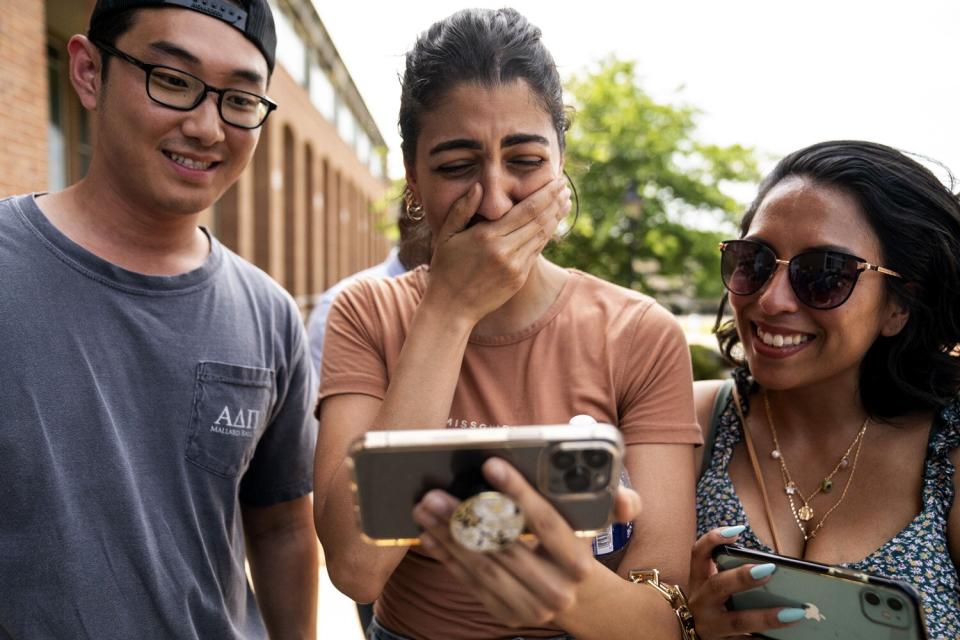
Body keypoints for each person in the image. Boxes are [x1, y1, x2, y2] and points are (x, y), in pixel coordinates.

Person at [313, 8, 702, 640]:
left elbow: (660, 618)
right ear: (413, 179)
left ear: (561, 162)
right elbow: (358, 568)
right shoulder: (367, 312)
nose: (493, 201)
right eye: (456, 166)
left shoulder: (640, 332)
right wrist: (449, 310)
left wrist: (562, 591)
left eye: (523, 159)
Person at [0, 1, 318, 637]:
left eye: (240, 99)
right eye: (173, 80)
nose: (206, 127)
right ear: (89, 73)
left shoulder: (269, 313)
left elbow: (282, 526)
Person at [688, 140, 960, 638]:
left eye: (824, 274)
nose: (771, 300)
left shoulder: (949, 450)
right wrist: (684, 628)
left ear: (899, 306)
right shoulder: (695, 421)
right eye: (755, 260)